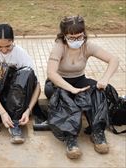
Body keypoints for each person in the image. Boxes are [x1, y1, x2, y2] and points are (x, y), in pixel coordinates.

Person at [45, 16, 119, 159]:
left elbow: (114, 59)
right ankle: (70, 139)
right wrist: (71, 89)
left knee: (98, 90)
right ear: (64, 35)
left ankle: (97, 132)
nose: (76, 40)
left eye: (79, 36)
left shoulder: (87, 45)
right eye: (71, 37)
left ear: (84, 33)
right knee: (64, 96)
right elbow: (51, 73)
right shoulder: (59, 46)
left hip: (79, 80)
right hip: (58, 83)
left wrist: (104, 79)